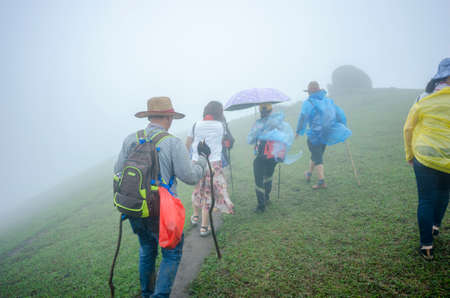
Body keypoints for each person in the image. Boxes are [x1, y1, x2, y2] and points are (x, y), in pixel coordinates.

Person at [114, 96, 210, 297]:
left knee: (147, 249)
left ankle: (147, 293)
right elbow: (190, 176)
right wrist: (202, 159)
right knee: (171, 253)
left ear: (150, 116)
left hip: (135, 207)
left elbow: (118, 172)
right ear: (168, 118)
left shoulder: (131, 139)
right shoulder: (172, 143)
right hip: (162, 211)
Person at [403, 57, 450, 261]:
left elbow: (408, 128)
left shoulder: (423, 98)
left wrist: (409, 154)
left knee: (426, 199)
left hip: (424, 155)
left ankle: (426, 246)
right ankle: (435, 225)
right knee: (444, 192)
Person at [186, 101, 234, 236]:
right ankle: (204, 227)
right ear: (219, 112)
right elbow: (225, 142)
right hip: (213, 164)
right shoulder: (221, 126)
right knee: (208, 194)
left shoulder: (195, 125)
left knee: (197, 190)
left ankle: (195, 216)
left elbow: (188, 143)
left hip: (197, 163)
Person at [296, 81, 351, 189]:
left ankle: (321, 181)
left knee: (318, 157)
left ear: (309, 92)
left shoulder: (308, 103)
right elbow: (339, 113)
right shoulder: (328, 101)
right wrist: (342, 126)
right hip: (326, 133)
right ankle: (309, 173)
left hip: (315, 135)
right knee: (316, 155)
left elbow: (303, 117)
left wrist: (298, 131)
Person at [248, 103, 294, 213]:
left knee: (259, 180)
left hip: (261, 156)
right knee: (268, 176)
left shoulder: (258, 124)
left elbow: (250, 140)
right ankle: (267, 198)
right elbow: (286, 138)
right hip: (274, 156)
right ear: (271, 110)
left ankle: (261, 206)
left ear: (260, 112)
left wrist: (257, 131)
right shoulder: (279, 122)